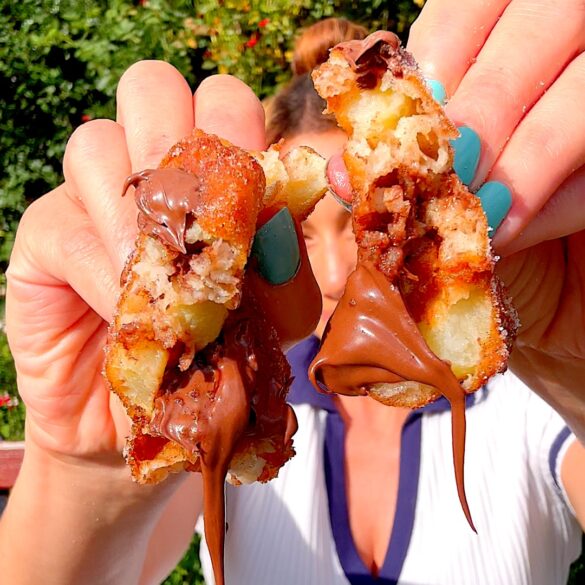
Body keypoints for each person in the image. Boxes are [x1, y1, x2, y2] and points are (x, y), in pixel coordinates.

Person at [1, 1, 584, 583]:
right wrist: (81, 472)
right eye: (300, 237)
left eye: (367, 227)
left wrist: (575, 372)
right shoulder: (235, 405)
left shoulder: (529, 403)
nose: (333, 277)